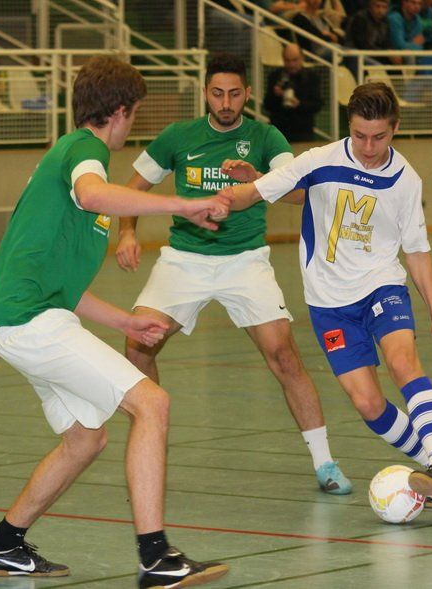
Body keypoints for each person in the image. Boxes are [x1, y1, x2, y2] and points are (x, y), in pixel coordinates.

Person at [0, 55, 230, 588]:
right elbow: (94, 193)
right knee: (152, 404)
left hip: (26, 320)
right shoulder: (85, 151)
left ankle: (4, 544)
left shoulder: (71, 163)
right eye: (134, 114)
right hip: (32, 323)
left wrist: (124, 323)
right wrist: (182, 206)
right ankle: (156, 558)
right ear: (119, 112)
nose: (131, 125)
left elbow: (63, 285)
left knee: (85, 440)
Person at [216, 82, 432, 506]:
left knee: (402, 361)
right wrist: (223, 199)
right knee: (367, 403)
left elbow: (417, 251)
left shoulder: (406, 180)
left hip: (381, 285)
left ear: (395, 128)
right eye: (359, 135)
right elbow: (255, 194)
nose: (368, 148)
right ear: (347, 126)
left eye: (379, 137)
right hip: (329, 303)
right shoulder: (319, 159)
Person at [116, 53, 353, 496]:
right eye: (217, 93)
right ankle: (149, 442)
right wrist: (127, 233)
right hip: (184, 260)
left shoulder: (265, 136)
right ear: (205, 93)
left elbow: (302, 193)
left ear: (248, 93)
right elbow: (131, 191)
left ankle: (325, 462)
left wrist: (257, 178)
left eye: (234, 94)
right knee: (137, 343)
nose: (225, 103)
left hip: (245, 260)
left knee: (284, 356)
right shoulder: (178, 137)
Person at [262, 43, 323, 142]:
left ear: (302, 58)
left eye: (294, 60)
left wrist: (299, 104)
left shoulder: (312, 77)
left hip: (303, 133)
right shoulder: (275, 76)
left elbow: (317, 105)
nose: (291, 64)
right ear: (283, 59)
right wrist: (276, 95)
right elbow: (267, 105)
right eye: (287, 60)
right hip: (279, 132)